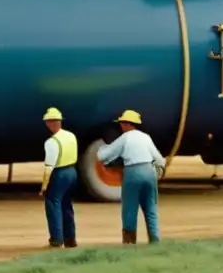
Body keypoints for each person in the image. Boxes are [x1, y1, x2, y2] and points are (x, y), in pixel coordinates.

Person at [96, 110, 166, 245]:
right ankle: (155, 240)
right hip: (149, 171)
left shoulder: (125, 138)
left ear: (127, 124)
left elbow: (103, 156)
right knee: (151, 207)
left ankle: (129, 242)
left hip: (133, 172)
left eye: (122, 123)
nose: (121, 126)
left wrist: (102, 149)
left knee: (130, 207)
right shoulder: (146, 137)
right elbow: (159, 159)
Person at [39, 107, 79, 249]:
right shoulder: (71, 136)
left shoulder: (51, 142)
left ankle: (56, 238)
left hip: (59, 173)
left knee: (53, 204)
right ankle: (70, 238)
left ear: (48, 123)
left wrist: (44, 186)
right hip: (72, 171)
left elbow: (49, 166)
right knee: (67, 205)